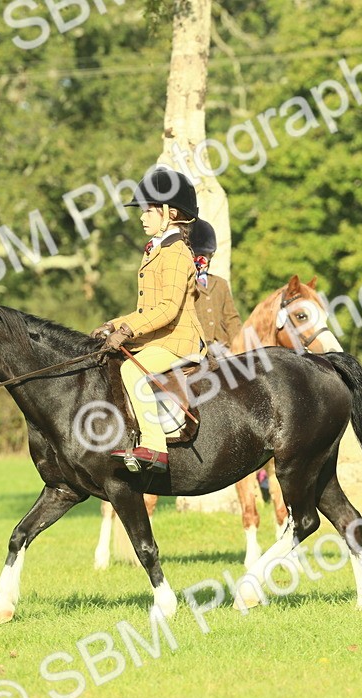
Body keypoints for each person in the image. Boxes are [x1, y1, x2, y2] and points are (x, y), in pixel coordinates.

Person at [91, 167, 206, 473]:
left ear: (170, 213)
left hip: (177, 341)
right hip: (157, 338)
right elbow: (145, 311)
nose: (142, 217)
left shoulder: (176, 252)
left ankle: (154, 447)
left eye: (149, 211)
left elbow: (168, 308)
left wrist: (128, 330)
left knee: (131, 371)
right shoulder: (156, 250)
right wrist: (113, 325)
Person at [188, 219, 242, 352]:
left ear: (211, 256)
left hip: (224, 347)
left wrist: (238, 347)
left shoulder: (220, 284)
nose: (202, 262)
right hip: (197, 349)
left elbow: (231, 318)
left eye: (204, 256)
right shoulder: (185, 284)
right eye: (196, 257)